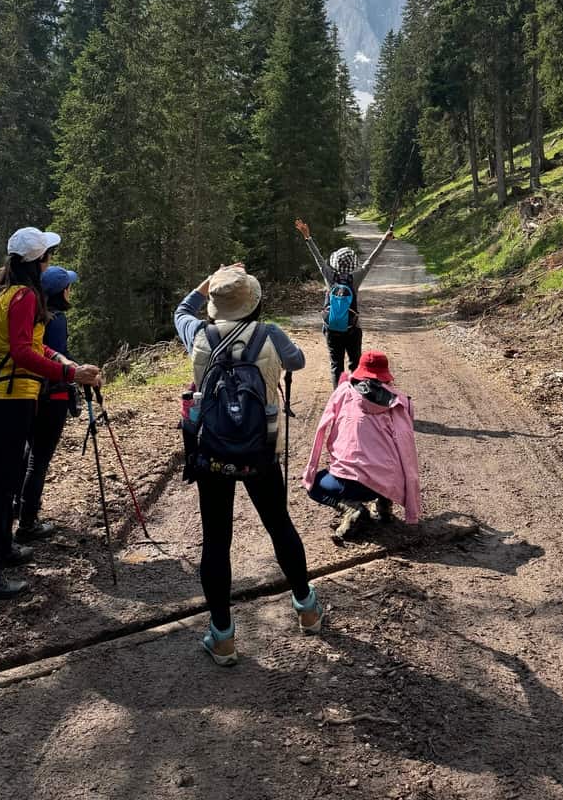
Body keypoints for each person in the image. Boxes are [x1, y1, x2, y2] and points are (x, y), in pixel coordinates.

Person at [174, 263, 323, 666]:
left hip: (212, 455)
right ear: (254, 302)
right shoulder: (270, 334)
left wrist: (209, 282)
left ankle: (223, 637)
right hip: (261, 453)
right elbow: (298, 362)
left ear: (215, 305)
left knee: (215, 541)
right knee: (279, 526)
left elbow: (181, 312)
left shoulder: (199, 335)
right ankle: (307, 608)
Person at [0, 228, 100, 602]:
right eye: (48, 256)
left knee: (6, 479)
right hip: (8, 399)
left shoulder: (4, 292)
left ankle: (2, 549)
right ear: (39, 261)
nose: (50, 261)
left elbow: (34, 346)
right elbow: (23, 352)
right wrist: (70, 374)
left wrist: (66, 364)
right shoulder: (24, 296)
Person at [303, 350, 420, 540]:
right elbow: (405, 446)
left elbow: (323, 427)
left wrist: (312, 467)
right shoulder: (401, 402)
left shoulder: (343, 392)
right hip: (387, 483)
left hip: (348, 484)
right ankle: (384, 506)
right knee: (389, 456)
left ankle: (351, 508)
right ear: (385, 374)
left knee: (313, 484)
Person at [15, 265, 81, 543]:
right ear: (60, 292)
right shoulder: (57, 320)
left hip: (29, 394)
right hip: (53, 396)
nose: (70, 291)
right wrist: (76, 372)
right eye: (68, 287)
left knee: (28, 453)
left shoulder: (35, 316)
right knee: (39, 459)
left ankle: (19, 509)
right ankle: (28, 522)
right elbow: (58, 354)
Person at [294, 218, 394, 387]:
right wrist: (385, 239)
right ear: (353, 264)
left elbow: (318, 259)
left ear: (335, 262)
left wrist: (307, 237)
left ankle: (339, 397)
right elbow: (371, 259)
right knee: (356, 365)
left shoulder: (330, 276)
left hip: (332, 329)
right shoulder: (356, 277)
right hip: (353, 328)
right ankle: (356, 397)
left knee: (336, 366)